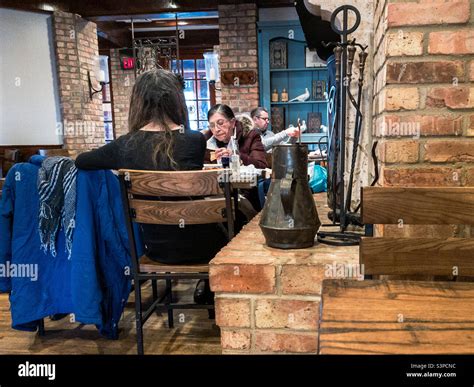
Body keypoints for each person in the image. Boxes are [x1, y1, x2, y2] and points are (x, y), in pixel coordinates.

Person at [75, 68, 225, 304]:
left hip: (156, 249)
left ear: (138, 103)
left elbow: (82, 161)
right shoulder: (194, 140)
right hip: (206, 246)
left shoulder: (124, 146)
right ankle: (216, 294)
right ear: (176, 101)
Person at [205, 104, 267, 169]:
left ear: (233, 122)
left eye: (220, 123)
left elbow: (261, 166)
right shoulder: (207, 141)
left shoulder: (250, 135)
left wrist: (236, 156)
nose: (216, 129)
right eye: (212, 125)